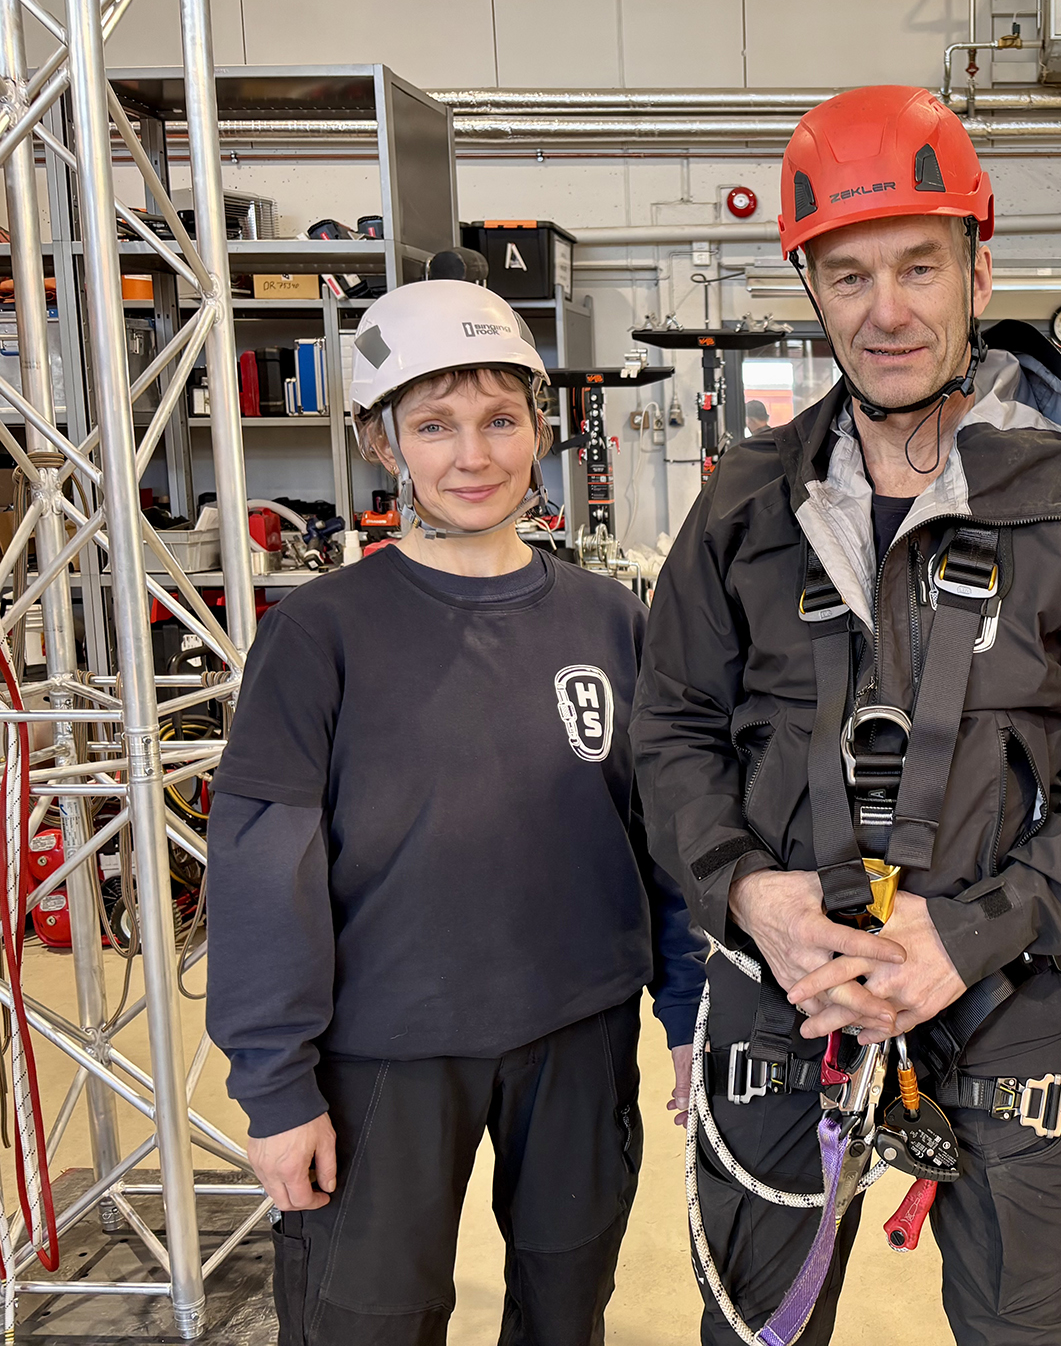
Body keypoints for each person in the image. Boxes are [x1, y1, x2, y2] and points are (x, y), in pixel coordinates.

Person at [635, 84, 1061, 1345]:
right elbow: (670, 731)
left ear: (977, 269)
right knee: (757, 1330)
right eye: (847, 276)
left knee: (1020, 1329)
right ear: (812, 291)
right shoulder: (744, 504)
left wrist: (977, 931)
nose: (885, 311)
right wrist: (748, 896)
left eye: (917, 267)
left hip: (1004, 988)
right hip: (786, 986)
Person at [206, 278, 704, 1345]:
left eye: (499, 420)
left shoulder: (611, 620)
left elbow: (664, 838)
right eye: (435, 425)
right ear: (382, 443)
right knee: (366, 1323)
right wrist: (277, 1089)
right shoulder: (321, 633)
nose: (473, 456)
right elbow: (261, 867)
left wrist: (688, 1012)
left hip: (579, 1035)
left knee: (565, 1312)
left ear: (541, 430)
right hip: (383, 1051)